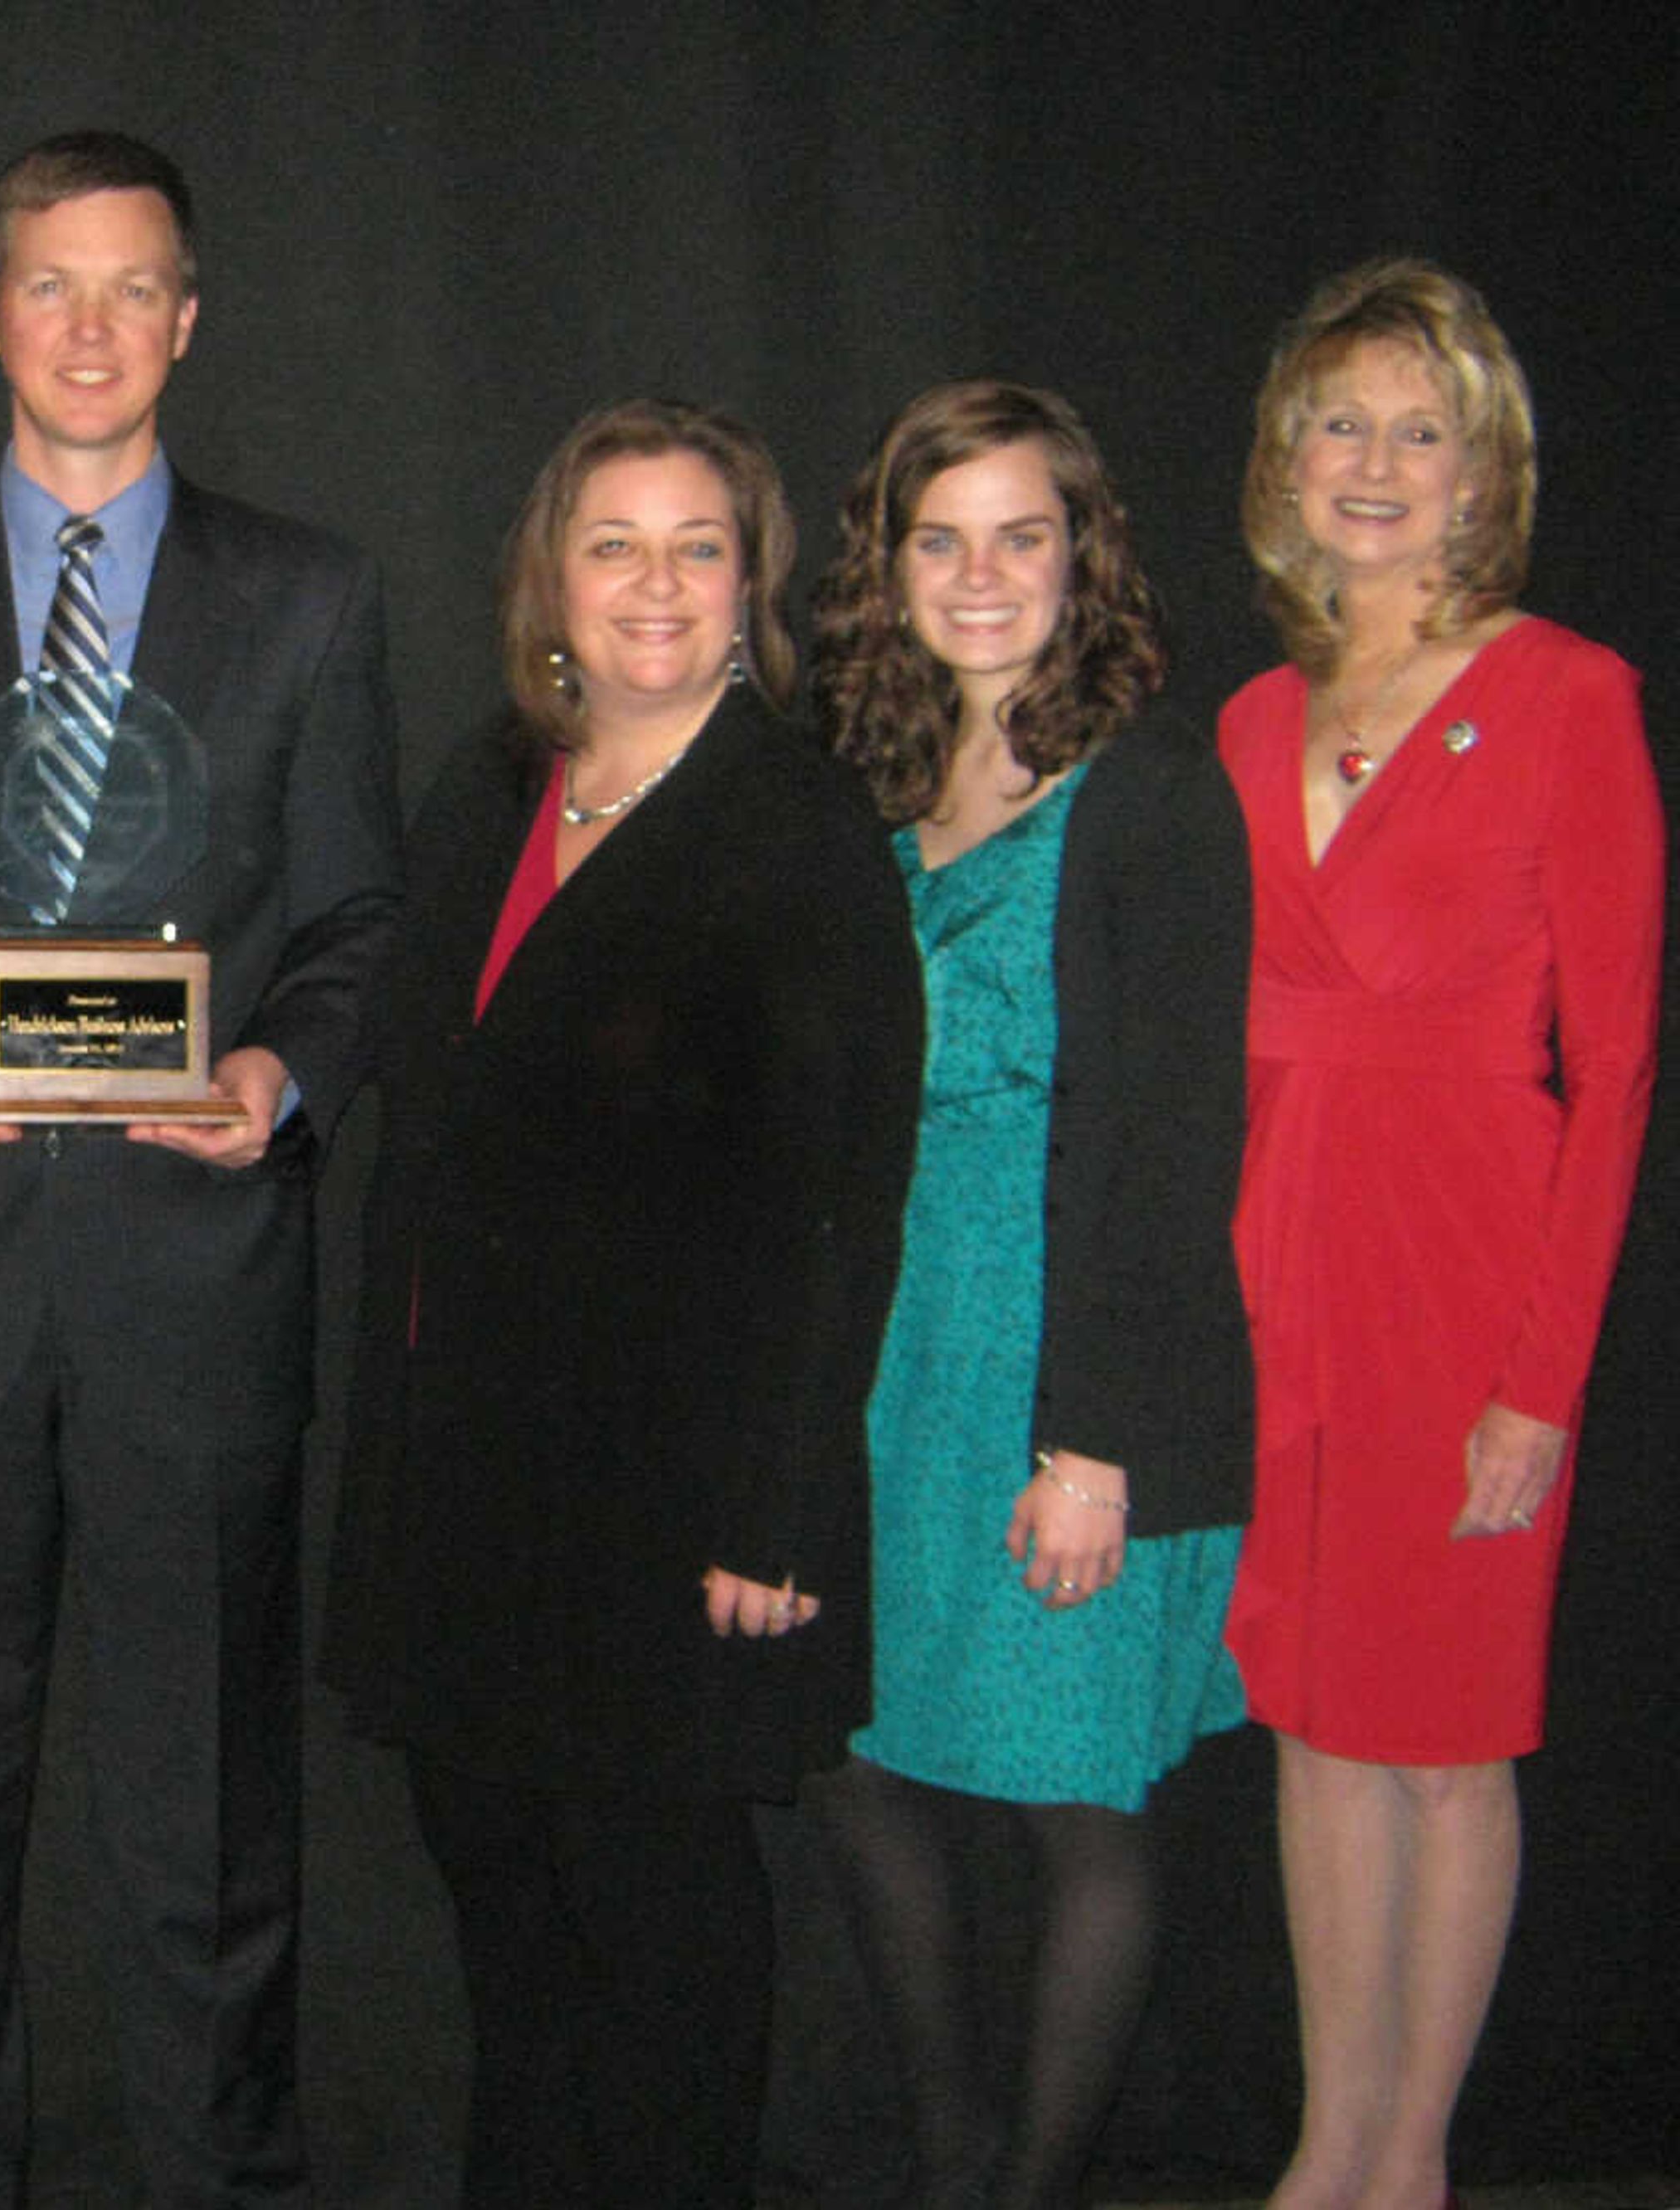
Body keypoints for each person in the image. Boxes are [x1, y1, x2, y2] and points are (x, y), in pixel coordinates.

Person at [0, 129, 402, 2207]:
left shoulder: (305, 594)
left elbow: (356, 931)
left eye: (134, 289)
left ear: (190, 322)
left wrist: (279, 1082)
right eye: (53, 285)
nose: (93, 328)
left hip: (195, 1298)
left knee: (210, 1845)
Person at [324, 399, 921, 2207]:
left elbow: (846, 1201)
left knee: (654, 1919)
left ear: (753, 586)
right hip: (465, 1473)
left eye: (695, 548)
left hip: (676, 1496)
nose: (651, 586)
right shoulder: (502, 781)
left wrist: (784, 1507)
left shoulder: (795, 825)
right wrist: (241, 1090)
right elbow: (393, 1043)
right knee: (500, 1892)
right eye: (613, 546)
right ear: (549, 584)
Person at [1218, 260, 1662, 2209]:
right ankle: (1332, 2147)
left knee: (1446, 1744)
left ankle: (1411, 2166)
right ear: (1285, 465)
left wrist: (1541, 1381)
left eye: (1422, 429)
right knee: (1315, 1722)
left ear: (1487, 473)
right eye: (1341, 423)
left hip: (1469, 1270)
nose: (1376, 463)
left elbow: (1623, 1063)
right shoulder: (1246, 719)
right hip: (1282, 1264)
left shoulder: (1572, 698)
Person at [807, 380, 1254, 2208]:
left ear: (1084, 559)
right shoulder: (875, 779)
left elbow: (1168, 1141)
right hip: (891, 1351)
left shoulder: (1148, 791)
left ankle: (1032, 2189)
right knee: (858, 1759)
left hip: (1073, 1350)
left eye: (1023, 535)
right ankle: (949, 2156)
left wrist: (1093, 1445)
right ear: (891, 564)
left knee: (1081, 1806)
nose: (982, 575)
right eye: (943, 538)